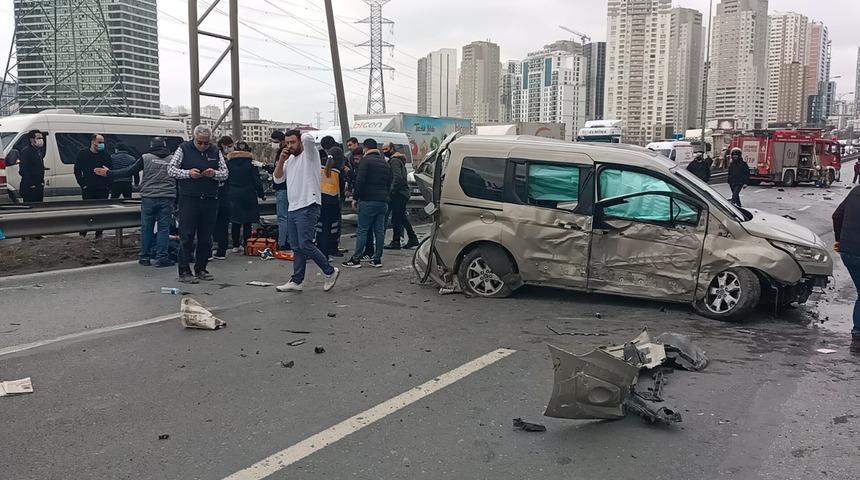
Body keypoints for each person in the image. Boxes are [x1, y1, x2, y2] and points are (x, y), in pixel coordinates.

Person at [272, 129, 339, 293]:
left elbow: (309, 139)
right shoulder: (289, 161)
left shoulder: (310, 154)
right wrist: (281, 159)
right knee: (296, 247)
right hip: (293, 206)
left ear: (300, 141)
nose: (289, 146)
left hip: (308, 204)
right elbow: (278, 178)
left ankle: (329, 271)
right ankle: (297, 280)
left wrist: (300, 134)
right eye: (287, 143)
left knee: (305, 244)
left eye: (292, 142)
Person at [95, 137, 176, 267]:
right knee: (163, 229)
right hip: (167, 197)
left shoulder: (145, 157)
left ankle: (144, 257)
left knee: (147, 228)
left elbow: (129, 171)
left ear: (151, 145)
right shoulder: (172, 159)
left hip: (149, 197)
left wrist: (109, 173)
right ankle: (162, 258)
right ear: (164, 145)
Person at [168, 125, 229, 284]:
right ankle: (184, 270)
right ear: (194, 139)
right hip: (189, 198)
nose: (203, 146)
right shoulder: (183, 149)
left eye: (206, 143)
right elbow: (171, 169)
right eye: (200, 142)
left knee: (206, 237)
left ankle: (201, 268)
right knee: (187, 236)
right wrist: (187, 173)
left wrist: (214, 173)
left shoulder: (215, 151)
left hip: (210, 198)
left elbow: (225, 173)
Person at [343, 138, 392, 268]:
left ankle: (356, 259)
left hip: (368, 200)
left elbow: (360, 181)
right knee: (379, 231)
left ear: (365, 148)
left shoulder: (366, 161)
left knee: (363, 230)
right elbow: (389, 182)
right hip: (383, 202)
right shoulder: (385, 162)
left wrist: (355, 198)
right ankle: (377, 259)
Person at [226, 140, 264, 252]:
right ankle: (247, 244)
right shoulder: (251, 163)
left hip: (233, 194)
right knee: (247, 221)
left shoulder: (229, 163)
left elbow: (225, 179)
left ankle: (235, 245)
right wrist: (261, 194)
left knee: (235, 220)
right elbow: (256, 180)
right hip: (248, 193)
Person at [832, 186, 860, 341]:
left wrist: (839, 240)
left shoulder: (856, 191)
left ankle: (858, 331)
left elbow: (836, 216)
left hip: (848, 251)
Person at [383, 142, 419, 250]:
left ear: (392, 148)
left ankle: (396, 241)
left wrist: (391, 191)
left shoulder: (394, 161)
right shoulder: (398, 160)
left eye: (386, 149)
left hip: (398, 193)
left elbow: (397, 177)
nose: (384, 151)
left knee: (396, 218)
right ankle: (412, 239)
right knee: (401, 217)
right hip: (402, 192)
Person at [74, 133, 112, 237]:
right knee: (87, 212)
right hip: (88, 189)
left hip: (102, 189)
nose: (102, 144)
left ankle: (99, 234)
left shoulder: (105, 155)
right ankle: (83, 233)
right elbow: (77, 171)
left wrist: (108, 186)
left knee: (101, 213)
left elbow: (111, 171)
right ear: (92, 142)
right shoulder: (83, 154)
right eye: (99, 142)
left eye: (103, 142)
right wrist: (83, 185)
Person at [316, 136, 344, 260]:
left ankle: (321, 250)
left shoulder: (320, 163)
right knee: (329, 226)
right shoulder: (336, 157)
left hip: (321, 197)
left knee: (322, 226)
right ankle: (326, 252)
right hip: (331, 198)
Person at [211, 136, 234, 259]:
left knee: (210, 224)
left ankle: (211, 251)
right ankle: (221, 250)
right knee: (223, 224)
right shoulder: (227, 161)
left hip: (214, 195)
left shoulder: (211, 158)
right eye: (229, 145)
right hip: (224, 195)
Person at [271, 130, 291, 251]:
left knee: (282, 217)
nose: (274, 144)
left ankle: (282, 242)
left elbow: (281, 169)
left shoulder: (285, 152)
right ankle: (287, 240)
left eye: (276, 142)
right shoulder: (284, 151)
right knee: (288, 217)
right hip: (286, 187)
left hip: (283, 187)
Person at [18, 129, 47, 203]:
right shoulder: (26, 151)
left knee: (39, 206)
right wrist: (31, 184)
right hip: (30, 187)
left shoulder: (38, 151)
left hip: (38, 185)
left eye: (41, 138)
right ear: (31, 139)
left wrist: (41, 182)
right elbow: (23, 170)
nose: (41, 140)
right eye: (38, 138)